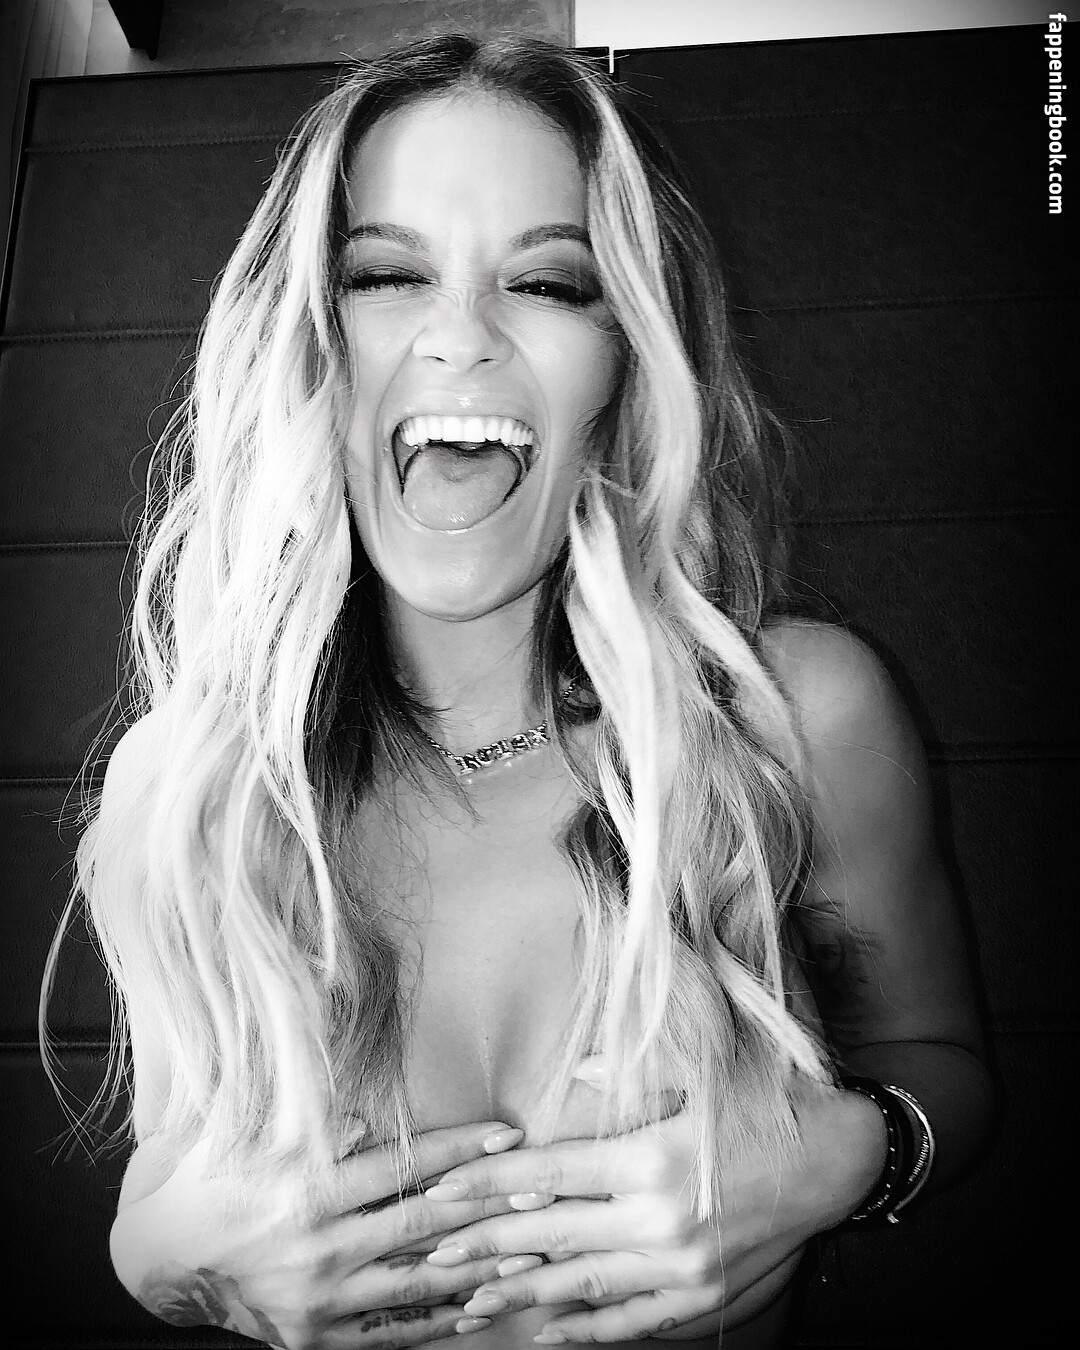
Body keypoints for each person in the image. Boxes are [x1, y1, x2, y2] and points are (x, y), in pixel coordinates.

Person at [44, 32, 994, 1350]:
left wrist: (850, 1154)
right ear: (312, 341)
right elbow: (168, 1180)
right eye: (386, 274)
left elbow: (945, 1068)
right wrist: (150, 1258)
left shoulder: (798, 716)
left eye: (547, 281)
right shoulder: (191, 781)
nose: (460, 339)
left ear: (628, 355)